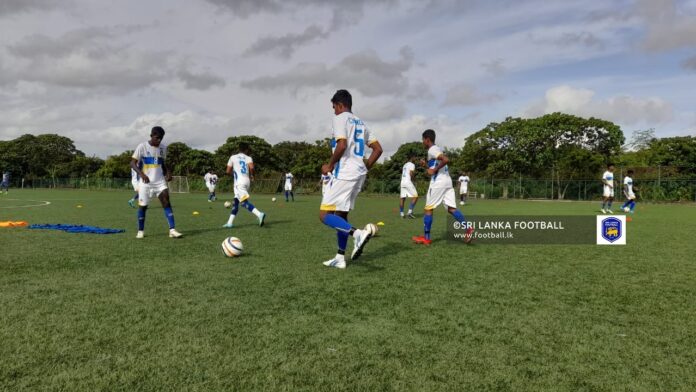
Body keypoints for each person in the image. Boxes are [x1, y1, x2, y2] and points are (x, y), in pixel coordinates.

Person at [320, 89, 383, 269]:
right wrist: (364, 167)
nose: (334, 111)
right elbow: (378, 149)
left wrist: (330, 165)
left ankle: (358, 234)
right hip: (358, 174)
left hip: (345, 173)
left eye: (334, 107)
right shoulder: (362, 124)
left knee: (324, 215)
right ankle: (340, 257)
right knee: (341, 214)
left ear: (340, 105)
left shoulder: (340, 119)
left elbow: (342, 145)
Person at [412, 129, 473, 245]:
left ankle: (427, 238)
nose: (422, 142)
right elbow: (436, 167)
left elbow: (445, 160)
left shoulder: (432, 149)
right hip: (447, 181)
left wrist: (433, 169)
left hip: (438, 184)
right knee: (451, 209)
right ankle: (468, 228)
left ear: (427, 140)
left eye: (422, 140)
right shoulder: (437, 149)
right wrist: (427, 166)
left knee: (428, 209)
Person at [130, 126, 183, 239]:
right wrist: (142, 174)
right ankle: (140, 231)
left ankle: (172, 230)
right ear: (151, 135)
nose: (159, 140)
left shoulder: (163, 148)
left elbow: (162, 163)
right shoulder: (142, 146)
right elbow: (132, 163)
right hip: (145, 183)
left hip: (159, 181)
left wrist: (168, 173)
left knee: (166, 202)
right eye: (157, 138)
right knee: (143, 207)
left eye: (161, 138)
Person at [223, 142, 266, 228]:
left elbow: (227, 171)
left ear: (239, 149)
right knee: (236, 202)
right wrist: (253, 176)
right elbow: (252, 167)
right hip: (246, 181)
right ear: (246, 150)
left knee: (243, 203)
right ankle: (230, 223)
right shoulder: (248, 158)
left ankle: (259, 214)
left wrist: (234, 174)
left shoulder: (233, 157)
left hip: (239, 182)